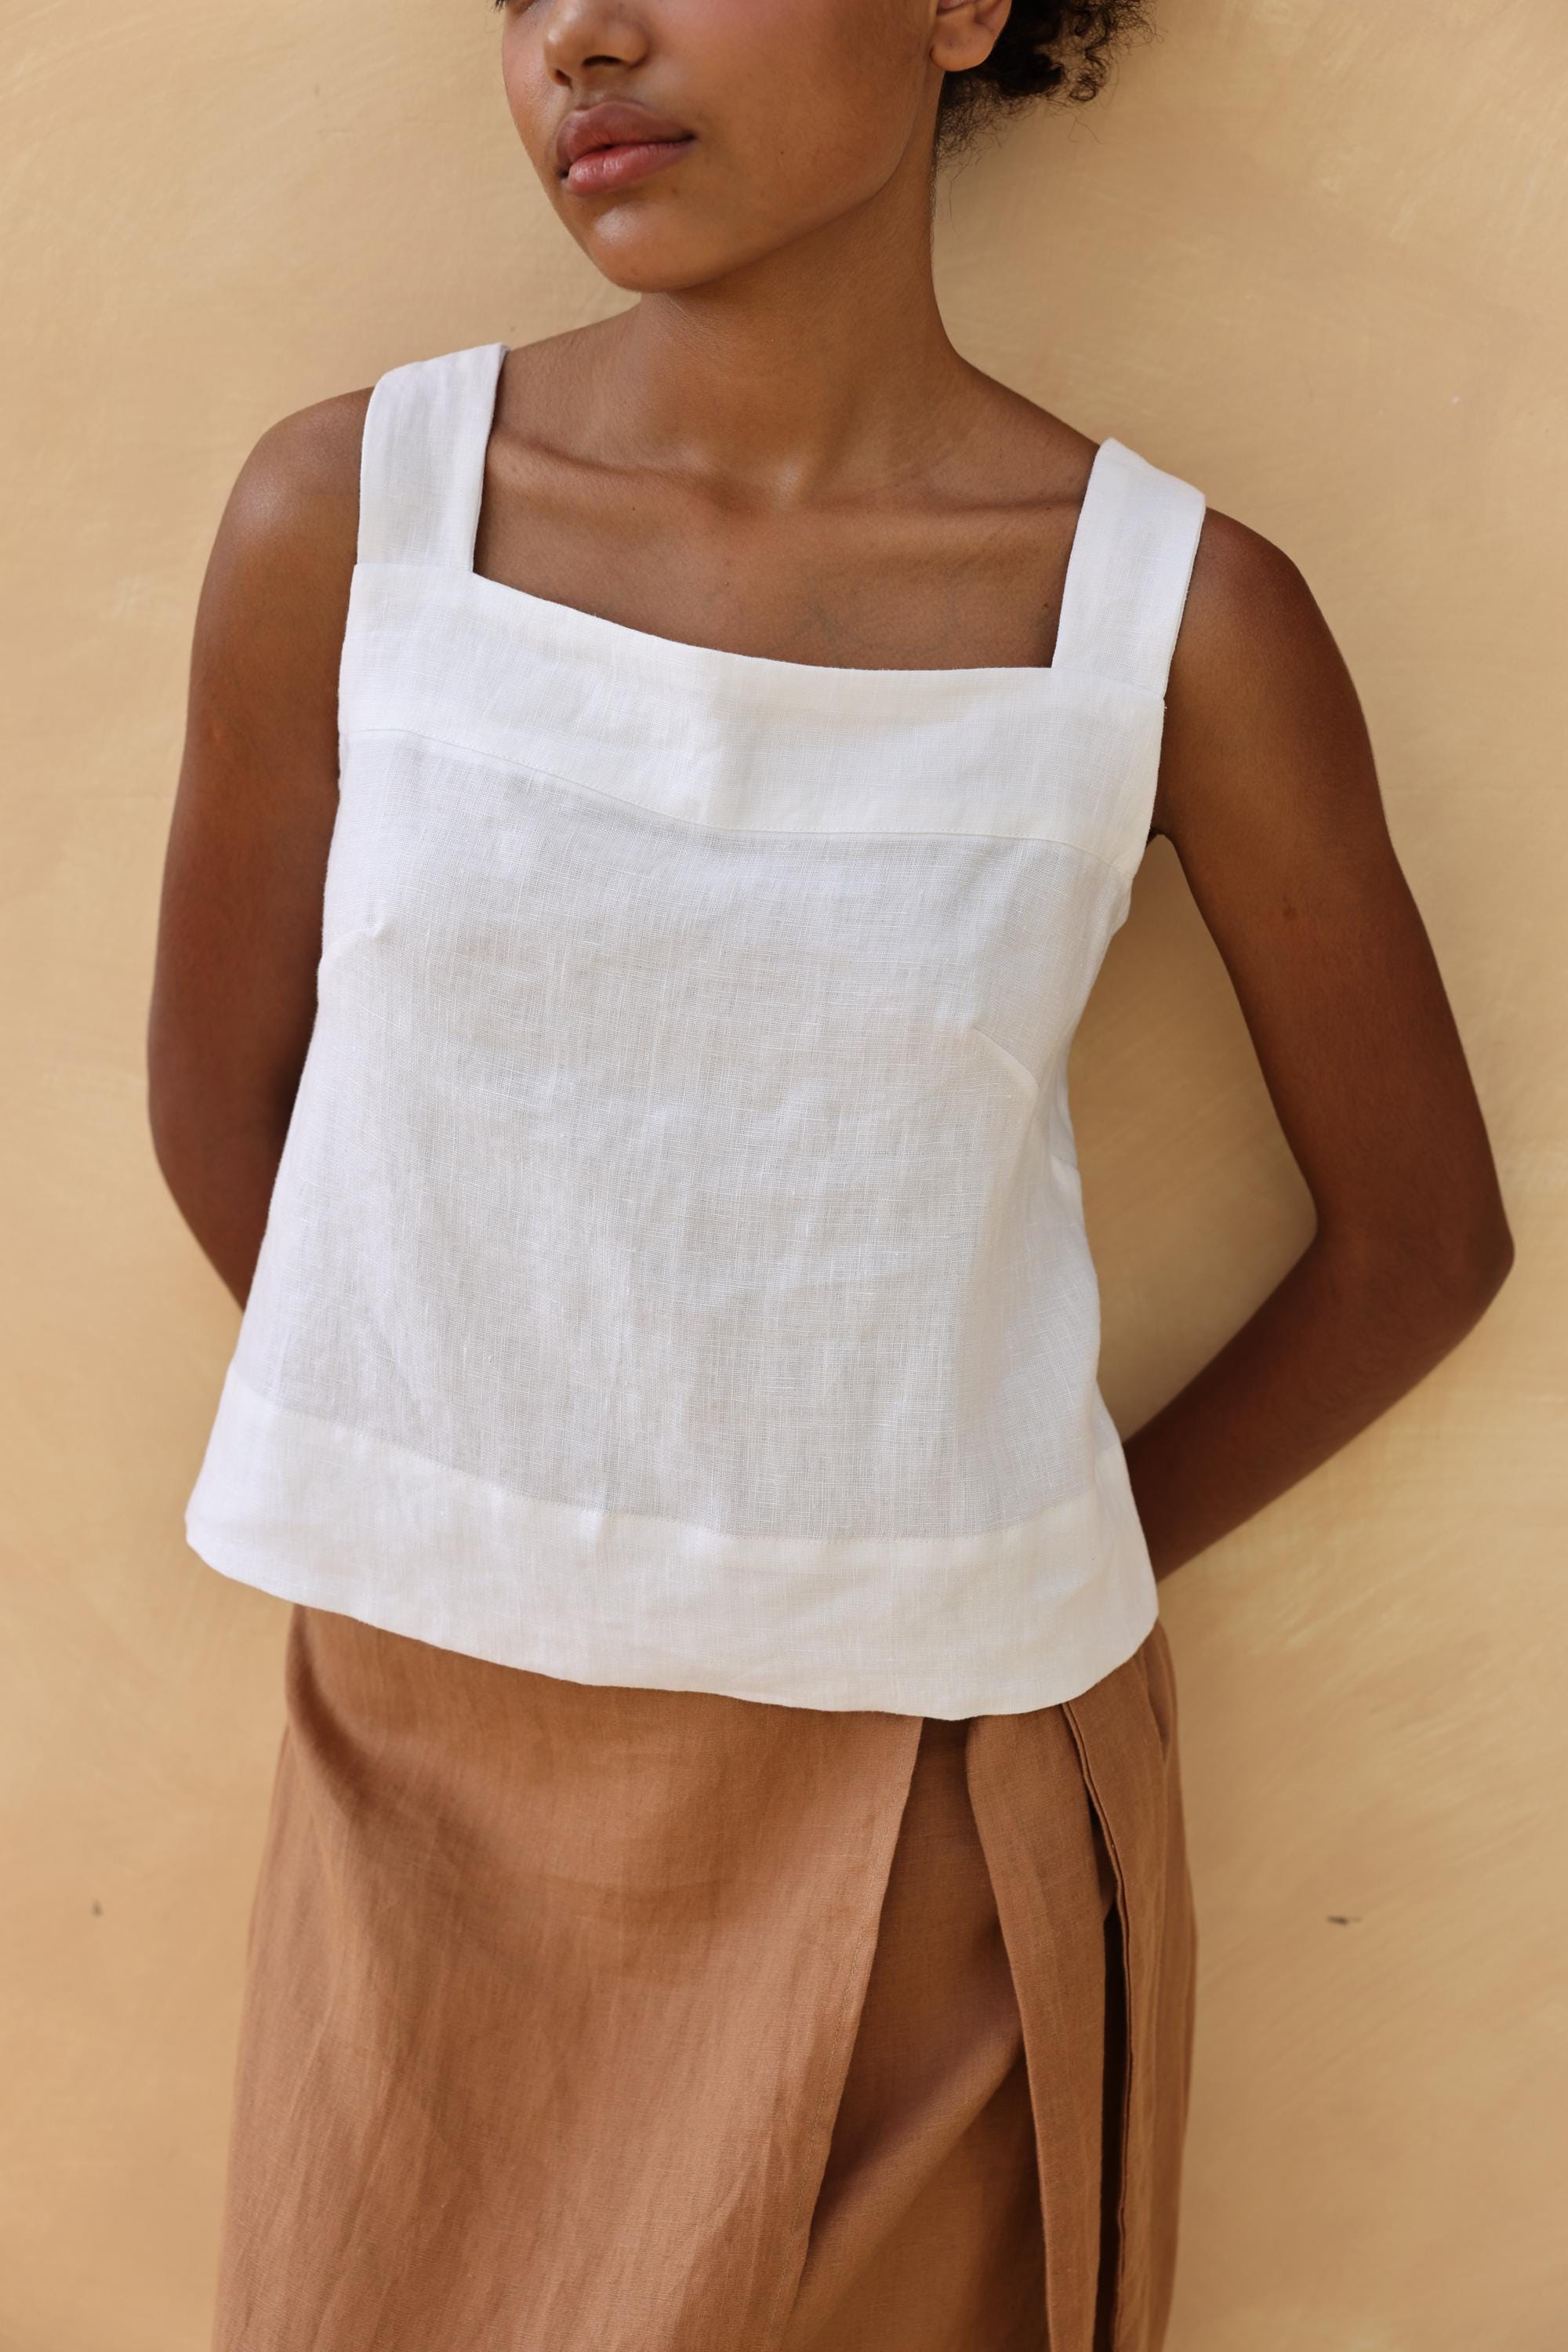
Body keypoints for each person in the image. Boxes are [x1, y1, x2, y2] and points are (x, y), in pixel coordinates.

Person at [147, 3, 1513, 2347]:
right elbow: (225, 1105)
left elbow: (1420, 1241)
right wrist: (502, 1471)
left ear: (967, 3)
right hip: (424, 1800)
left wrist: (966, 1579)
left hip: (933, 1844)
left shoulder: (1171, 624)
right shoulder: (351, 520)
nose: (582, 33)